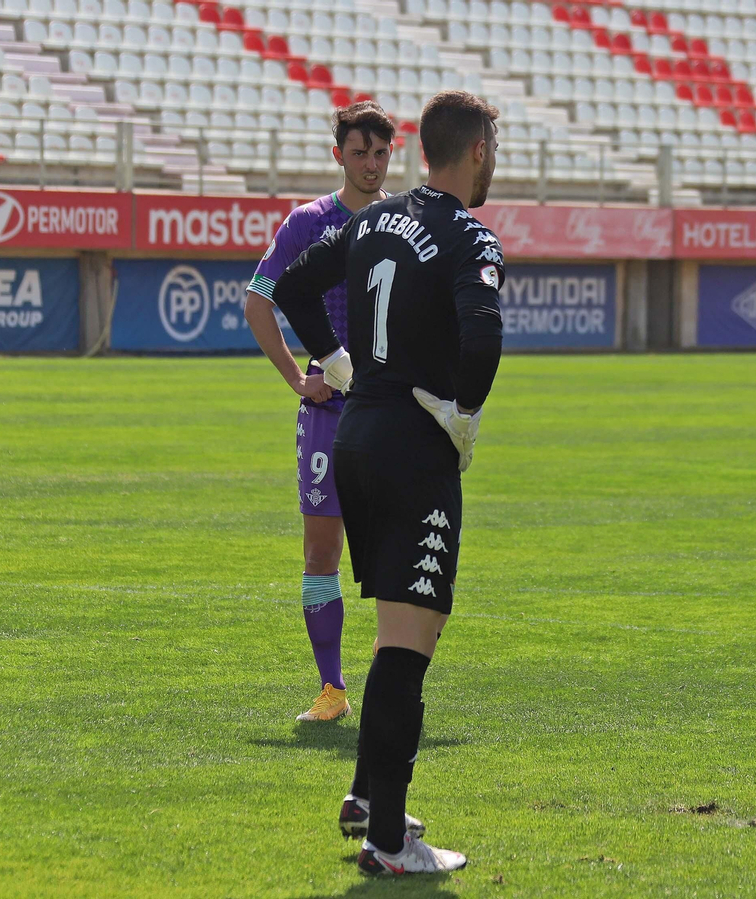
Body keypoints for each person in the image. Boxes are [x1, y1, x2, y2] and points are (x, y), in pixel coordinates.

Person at [271, 89, 505, 875]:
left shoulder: (372, 219)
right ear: (476, 151)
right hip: (413, 450)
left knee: (398, 632)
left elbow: (293, 288)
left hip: (357, 440)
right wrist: (464, 413)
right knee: (410, 644)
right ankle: (390, 842)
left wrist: (335, 361)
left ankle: (370, 797)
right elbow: (484, 335)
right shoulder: (469, 234)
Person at [245, 101, 395, 726]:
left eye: (380, 153)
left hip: (390, 409)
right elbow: (259, 299)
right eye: (359, 153)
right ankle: (332, 689)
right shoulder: (309, 222)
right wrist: (294, 380)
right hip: (330, 410)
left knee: (395, 553)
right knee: (320, 551)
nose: (370, 164)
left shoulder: (404, 221)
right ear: (338, 155)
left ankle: (391, 681)